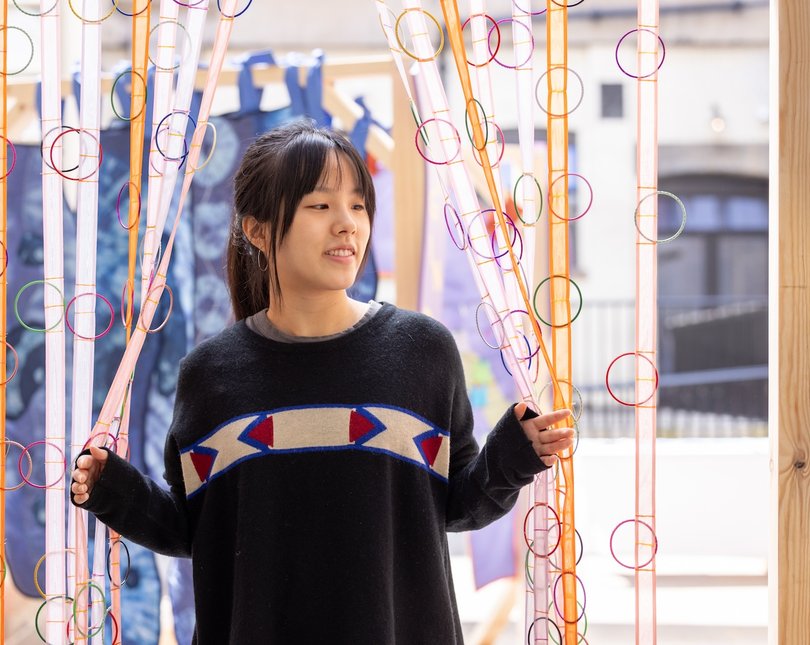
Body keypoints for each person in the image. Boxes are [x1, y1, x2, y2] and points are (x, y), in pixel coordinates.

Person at [71, 120, 575, 644]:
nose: (348, 224)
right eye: (320, 205)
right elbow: (191, 527)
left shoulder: (422, 351)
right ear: (258, 229)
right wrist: (113, 489)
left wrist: (516, 452)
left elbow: (460, 503)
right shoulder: (209, 375)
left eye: (358, 205)